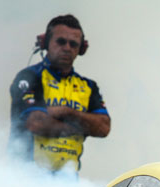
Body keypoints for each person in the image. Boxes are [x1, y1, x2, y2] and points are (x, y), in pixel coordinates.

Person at [8, 15, 110, 173]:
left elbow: (103, 127)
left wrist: (66, 112)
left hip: (67, 179)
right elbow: (36, 123)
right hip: (26, 176)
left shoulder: (89, 86)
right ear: (45, 43)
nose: (67, 48)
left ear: (81, 49)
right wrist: (82, 126)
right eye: (61, 42)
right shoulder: (29, 76)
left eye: (73, 44)